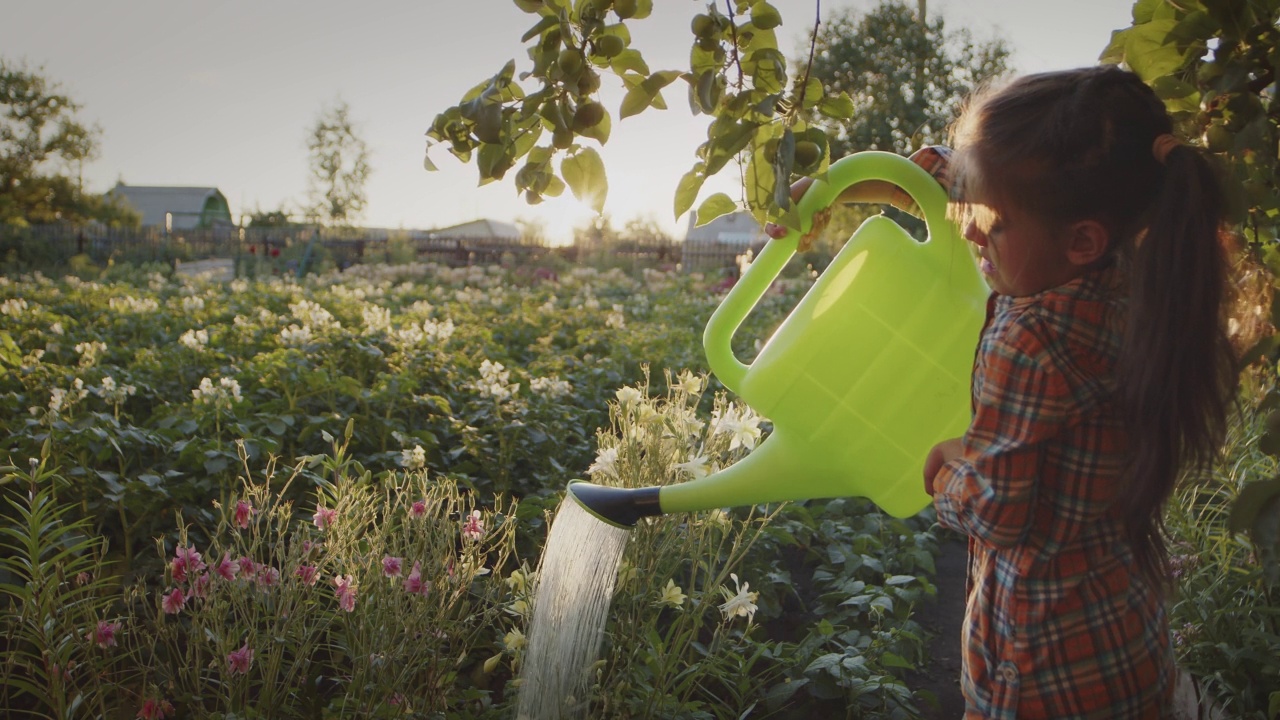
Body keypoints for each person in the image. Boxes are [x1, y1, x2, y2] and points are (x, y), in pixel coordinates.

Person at [777, 65, 1237, 718]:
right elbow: (980, 180)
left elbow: (999, 514)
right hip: (1122, 643)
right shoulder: (1136, 276)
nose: (969, 231)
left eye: (991, 224)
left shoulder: (1029, 338)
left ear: (1081, 240)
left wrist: (946, 471)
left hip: (1038, 672)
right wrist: (834, 187)